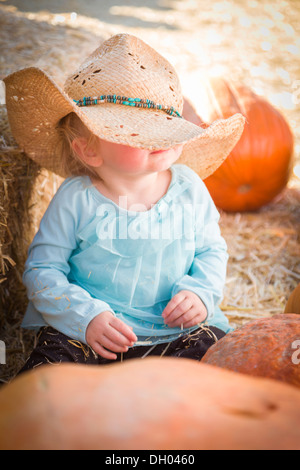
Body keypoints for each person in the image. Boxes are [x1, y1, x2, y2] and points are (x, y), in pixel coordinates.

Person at [4, 34, 245, 371]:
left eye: (166, 125)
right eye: (137, 130)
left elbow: (211, 250)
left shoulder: (189, 187)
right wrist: (86, 317)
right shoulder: (77, 199)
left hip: (177, 331)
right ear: (89, 149)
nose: (159, 136)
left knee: (215, 358)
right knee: (51, 370)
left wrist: (200, 294)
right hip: (96, 334)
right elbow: (43, 269)